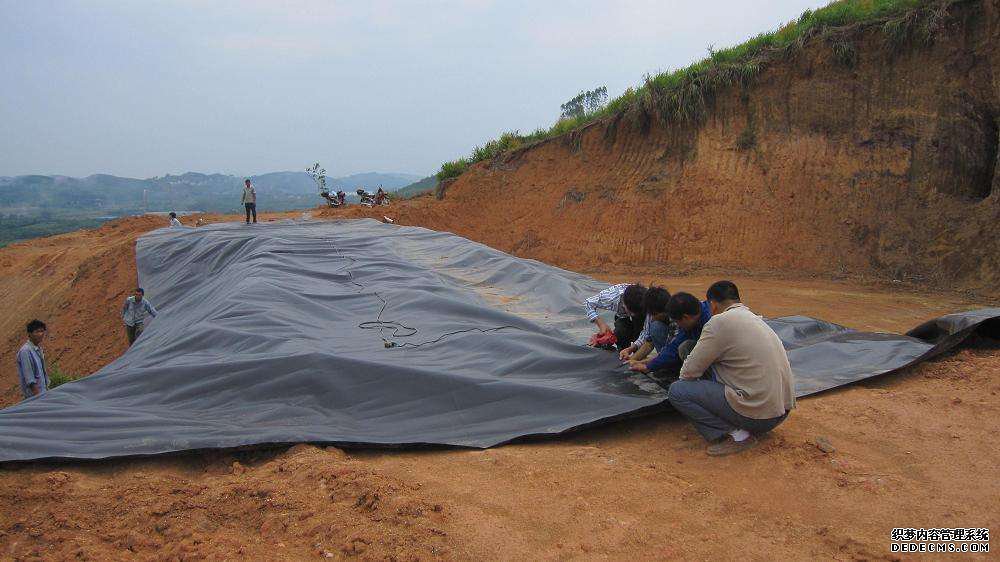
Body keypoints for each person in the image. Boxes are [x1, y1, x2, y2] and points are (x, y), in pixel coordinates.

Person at [667, 281, 796, 456]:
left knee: (678, 391)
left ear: (712, 305)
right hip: (781, 410)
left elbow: (688, 373)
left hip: (759, 416)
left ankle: (739, 436)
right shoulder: (754, 318)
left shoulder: (718, 323)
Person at [630, 291, 711, 376]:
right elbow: (673, 347)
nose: (678, 325)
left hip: (720, 370)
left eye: (678, 322)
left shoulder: (711, 323)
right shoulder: (691, 316)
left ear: (685, 317)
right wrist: (649, 366)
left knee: (686, 347)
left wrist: (649, 365)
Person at [585, 283, 647, 352]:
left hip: (642, 314)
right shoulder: (611, 297)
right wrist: (601, 324)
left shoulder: (646, 300)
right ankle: (622, 353)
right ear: (624, 304)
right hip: (622, 316)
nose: (632, 315)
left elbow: (646, 333)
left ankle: (638, 355)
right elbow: (588, 303)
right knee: (620, 332)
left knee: (641, 333)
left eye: (634, 313)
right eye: (630, 311)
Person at [618, 286, 673, 362]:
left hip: (683, 354)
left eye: (653, 315)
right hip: (670, 352)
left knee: (656, 327)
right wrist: (631, 356)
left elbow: (672, 351)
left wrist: (646, 363)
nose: (652, 319)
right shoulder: (654, 312)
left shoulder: (677, 321)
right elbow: (648, 342)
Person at [16, 319, 50, 399]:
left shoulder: (38, 349)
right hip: (35, 397)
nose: (41, 334)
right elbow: (30, 379)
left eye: (42, 331)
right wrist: (39, 398)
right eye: (37, 332)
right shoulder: (25, 351)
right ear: (30, 334)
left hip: (43, 393)